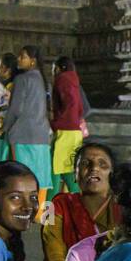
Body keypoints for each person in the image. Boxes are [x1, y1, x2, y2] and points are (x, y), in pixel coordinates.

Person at [42, 141, 121, 261]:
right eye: (85, 163)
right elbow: (54, 254)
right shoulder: (54, 205)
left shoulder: (122, 208)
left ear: (112, 175)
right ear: (74, 173)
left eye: (102, 164)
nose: (94, 168)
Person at [2, 45, 52, 212]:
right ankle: (40, 212)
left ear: (33, 61)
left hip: (22, 134)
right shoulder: (43, 81)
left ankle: (21, 210)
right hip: (41, 134)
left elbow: (16, 109)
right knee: (40, 175)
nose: (18, 59)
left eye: (22, 56)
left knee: (20, 175)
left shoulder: (22, 79)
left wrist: (4, 128)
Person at [49, 57, 86, 195]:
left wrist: (55, 123)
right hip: (75, 132)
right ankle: (81, 209)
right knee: (68, 171)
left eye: (54, 68)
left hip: (64, 131)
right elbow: (81, 108)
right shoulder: (74, 80)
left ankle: (48, 214)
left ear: (59, 68)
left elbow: (69, 103)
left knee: (53, 172)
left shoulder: (62, 79)